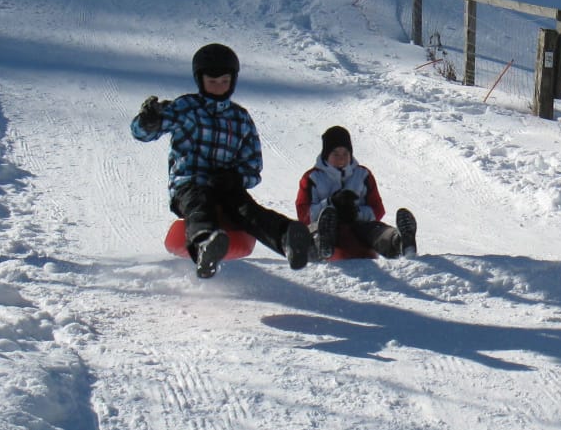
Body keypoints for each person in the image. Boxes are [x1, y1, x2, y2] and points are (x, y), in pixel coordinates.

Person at [131, 42, 316, 279]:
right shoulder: (186, 107)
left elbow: (252, 165)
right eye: (212, 81)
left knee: (248, 211)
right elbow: (143, 134)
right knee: (199, 204)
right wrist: (148, 121)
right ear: (200, 80)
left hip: (226, 186)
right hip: (189, 184)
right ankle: (205, 243)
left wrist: (236, 178)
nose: (219, 87)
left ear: (233, 81)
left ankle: (287, 237)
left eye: (224, 81)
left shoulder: (240, 118)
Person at [297, 125, 417, 259]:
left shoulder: (362, 175)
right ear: (326, 155)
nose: (341, 159)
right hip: (326, 230)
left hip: (359, 232)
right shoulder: (312, 178)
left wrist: (356, 213)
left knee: (375, 229)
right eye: (336, 154)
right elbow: (303, 215)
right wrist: (331, 203)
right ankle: (323, 246)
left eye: (345, 154)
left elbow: (377, 209)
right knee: (323, 227)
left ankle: (398, 241)